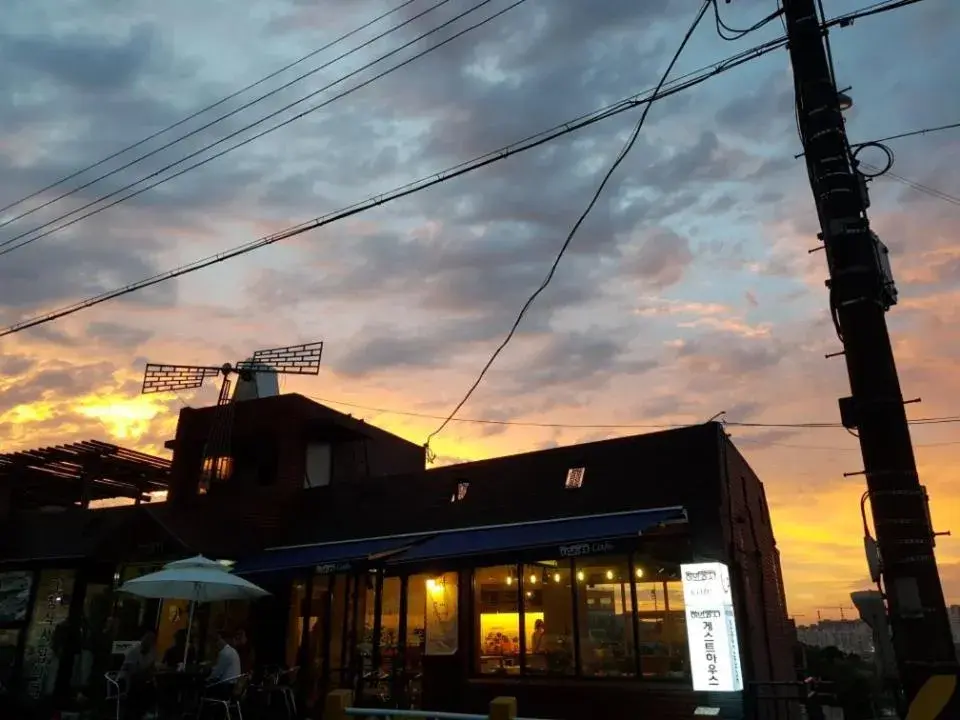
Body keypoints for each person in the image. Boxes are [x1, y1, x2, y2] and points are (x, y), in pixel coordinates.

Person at [120, 631, 157, 719]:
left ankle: (144, 712)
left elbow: (150, 666)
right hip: (129, 678)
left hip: (141, 679)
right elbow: (131, 669)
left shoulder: (151, 652)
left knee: (151, 686)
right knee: (142, 686)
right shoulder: (135, 651)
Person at [205, 630, 242, 701]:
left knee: (202, 686)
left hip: (225, 687)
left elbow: (217, 674)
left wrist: (207, 679)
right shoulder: (233, 651)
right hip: (233, 685)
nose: (216, 643)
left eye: (218, 640)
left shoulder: (224, 653)